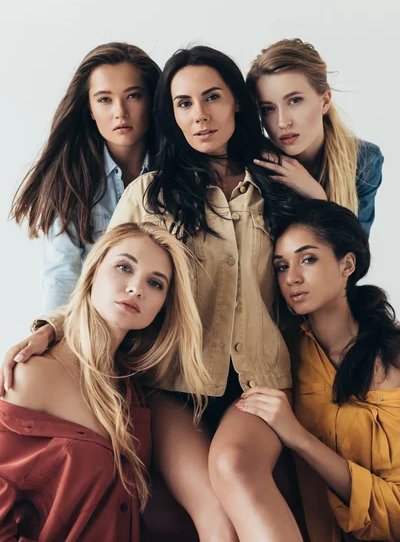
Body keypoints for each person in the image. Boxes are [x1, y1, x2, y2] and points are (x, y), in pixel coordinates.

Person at [2, 46, 304, 541]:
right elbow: (99, 274)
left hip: (259, 382)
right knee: (213, 514)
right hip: (173, 383)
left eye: (212, 98)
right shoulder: (148, 192)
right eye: (184, 104)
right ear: (172, 115)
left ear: (236, 104)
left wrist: (312, 197)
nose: (200, 115)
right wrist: (48, 330)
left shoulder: (273, 187)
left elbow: (320, 261)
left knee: (237, 473)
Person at [0, 222, 209, 541]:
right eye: (124, 267)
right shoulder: (30, 374)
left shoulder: (134, 395)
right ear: (94, 269)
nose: (136, 288)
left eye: (155, 283)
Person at [236, 200, 400, 541]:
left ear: (347, 264)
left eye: (307, 259)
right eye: (281, 267)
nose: (292, 278)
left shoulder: (392, 359)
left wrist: (297, 436)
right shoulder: (283, 352)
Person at [10, 42, 161, 312]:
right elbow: (61, 274)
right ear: (89, 108)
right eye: (105, 99)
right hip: (98, 327)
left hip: (168, 330)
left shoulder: (178, 172)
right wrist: (50, 333)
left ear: (152, 100)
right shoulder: (70, 179)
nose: (120, 112)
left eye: (133, 95)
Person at [246, 38, 384, 236]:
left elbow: (354, 259)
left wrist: (317, 197)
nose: (282, 122)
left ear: (325, 100)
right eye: (268, 108)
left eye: (294, 101)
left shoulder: (363, 161)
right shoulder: (258, 164)